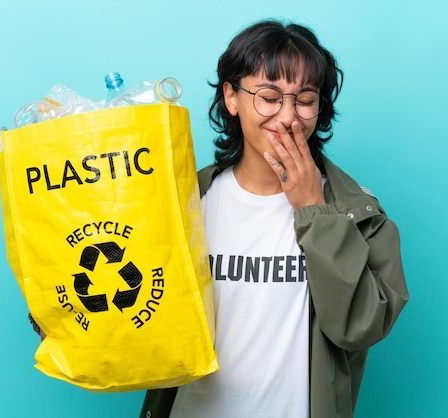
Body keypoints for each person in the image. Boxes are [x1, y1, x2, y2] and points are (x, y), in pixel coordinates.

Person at [138, 19, 409, 418]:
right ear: (231, 97)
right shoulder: (187, 202)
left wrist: (314, 210)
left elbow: (363, 326)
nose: (287, 117)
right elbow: (138, 306)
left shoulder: (358, 212)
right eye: (269, 96)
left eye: (304, 99)